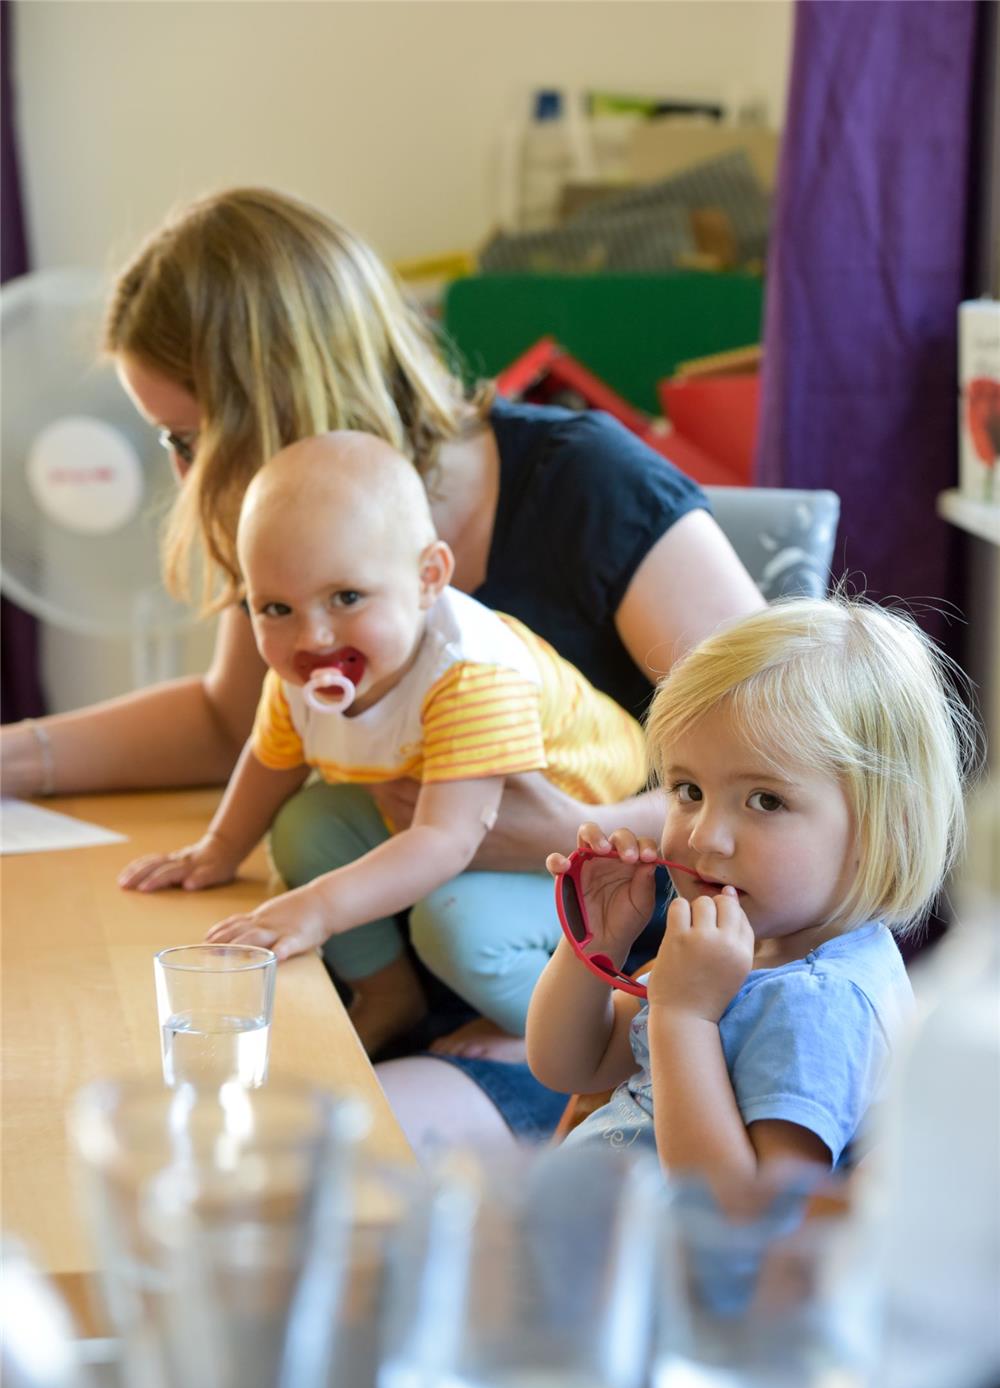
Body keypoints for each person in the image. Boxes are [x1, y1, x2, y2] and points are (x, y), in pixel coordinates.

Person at [0, 186, 763, 1143]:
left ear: (275, 405)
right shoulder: (302, 546)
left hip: (600, 1005)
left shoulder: (588, 487)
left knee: (273, 1152)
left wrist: (579, 832)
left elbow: (790, 770)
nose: (187, 479)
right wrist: (15, 758)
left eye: (191, 439)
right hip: (391, 977)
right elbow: (231, 722)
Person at [119, 430, 648, 1056]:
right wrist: (219, 848)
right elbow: (270, 760)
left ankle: (572, 1035)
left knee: (456, 926)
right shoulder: (301, 673)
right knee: (303, 826)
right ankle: (389, 994)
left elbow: (444, 840)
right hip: (447, 816)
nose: (311, 635)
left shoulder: (470, 673)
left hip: (568, 857)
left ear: (429, 578)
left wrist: (316, 909)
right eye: (275, 608)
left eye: (346, 598)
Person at [527, 595, 978, 1179]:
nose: (707, 836)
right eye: (688, 791)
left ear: (881, 829)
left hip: (664, 1267)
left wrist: (684, 1018)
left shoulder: (819, 1005)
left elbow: (745, 1218)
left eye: (765, 801)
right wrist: (597, 943)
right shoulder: (739, 948)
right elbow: (570, 1065)